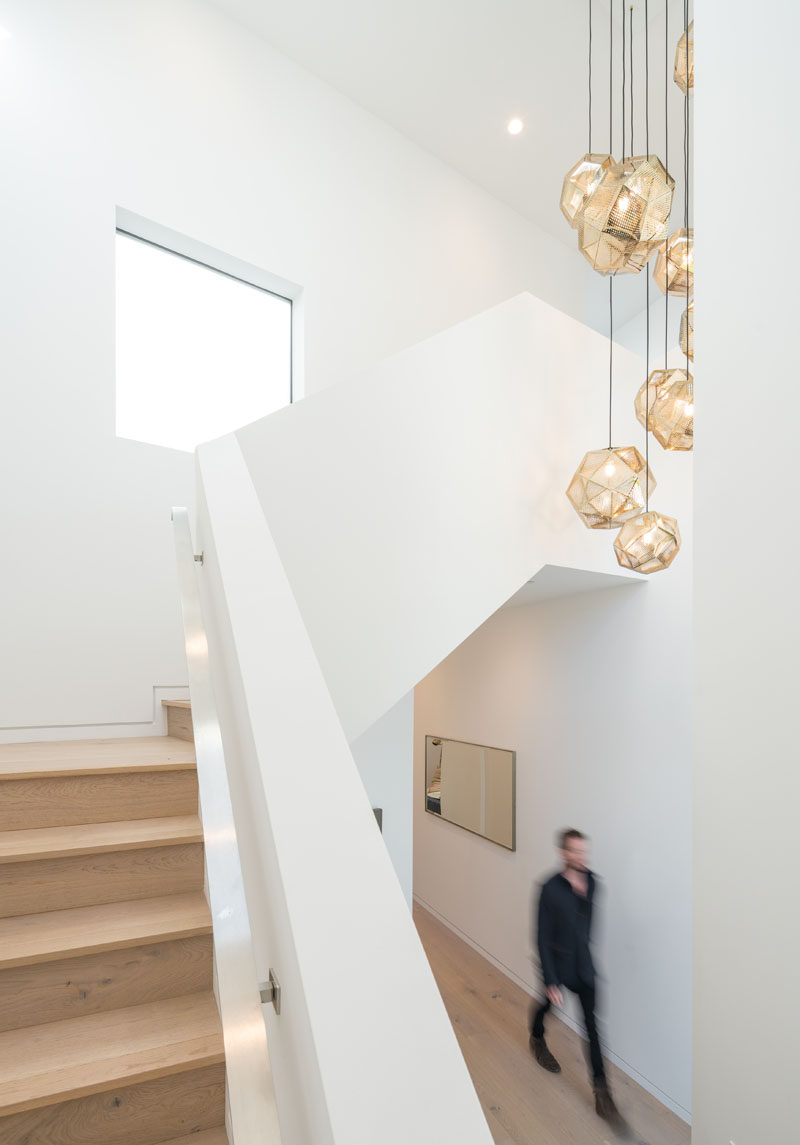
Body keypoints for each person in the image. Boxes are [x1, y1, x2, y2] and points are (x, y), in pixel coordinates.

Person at [530, 828, 628, 1134]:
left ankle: (603, 1095)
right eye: (574, 851)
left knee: (593, 1028)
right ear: (563, 853)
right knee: (548, 1007)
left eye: (584, 851)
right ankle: (536, 1036)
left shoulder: (595, 883)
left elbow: (586, 928)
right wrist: (550, 980)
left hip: (585, 968)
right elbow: (542, 938)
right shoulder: (548, 888)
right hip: (558, 967)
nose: (581, 856)